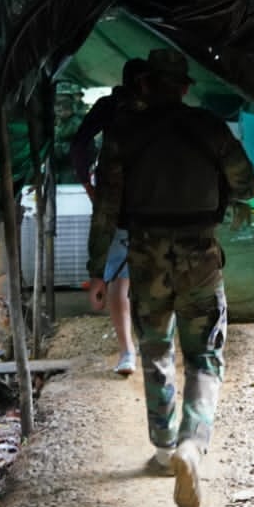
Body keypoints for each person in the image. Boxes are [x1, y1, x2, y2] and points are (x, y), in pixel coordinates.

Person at [86, 48, 254, 507]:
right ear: (184, 86)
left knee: (156, 349)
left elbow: (106, 208)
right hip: (200, 255)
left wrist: (97, 269)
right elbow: (247, 185)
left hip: (146, 257)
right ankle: (192, 444)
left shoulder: (123, 134)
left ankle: (164, 451)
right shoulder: (209, 127)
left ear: (145, 85)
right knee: (204, 355)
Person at [70, 58, 149, 375]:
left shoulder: (110, 106)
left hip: (119, 200)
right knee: (128, 276)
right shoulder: (156, 109)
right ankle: (135, 349)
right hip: (146, 203)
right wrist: (89, 183)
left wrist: (88, 182)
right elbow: (80, 145)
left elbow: (80, 145)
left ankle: (129, 351)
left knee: (121, 277)